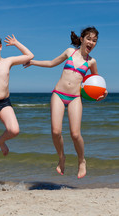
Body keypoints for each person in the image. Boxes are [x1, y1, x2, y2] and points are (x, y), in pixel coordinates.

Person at [24, 27, 107, 178]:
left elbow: (97, 82)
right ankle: (62, 157)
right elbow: (51, 63)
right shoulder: (70, 52)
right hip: (58, 94)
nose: (91, 43)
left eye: (94, 41)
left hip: (75, 98)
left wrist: (103, 93)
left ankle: (82, 161)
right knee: (56, 132)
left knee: (75, 134)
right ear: (82, 39)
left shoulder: (92, 62)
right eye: (89, 39)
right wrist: (33, 62)